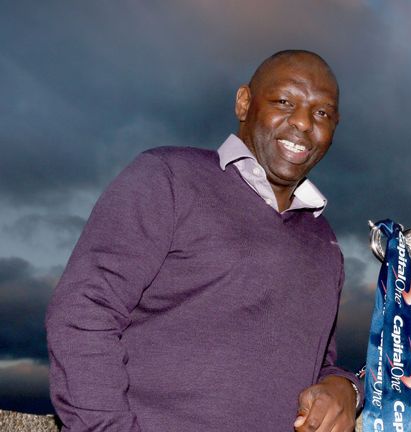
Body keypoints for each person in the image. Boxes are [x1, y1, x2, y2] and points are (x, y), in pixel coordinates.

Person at [46, 50, 361, 432]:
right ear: (244, 103)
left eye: (322, 113)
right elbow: (84, 311)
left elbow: (316, 362)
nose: (302, 123)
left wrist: (345, 387)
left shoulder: (325, 242)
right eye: (284, 102)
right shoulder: (168, 178)